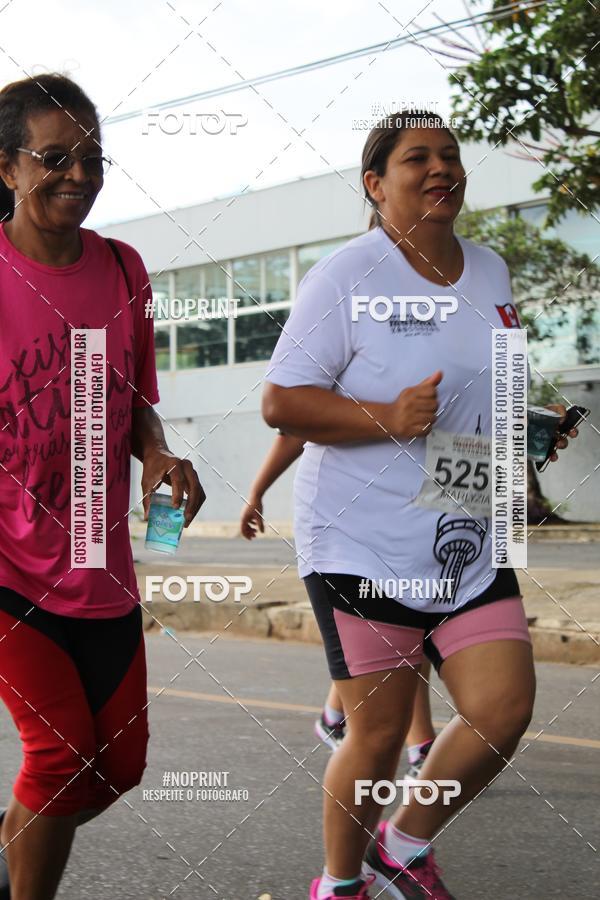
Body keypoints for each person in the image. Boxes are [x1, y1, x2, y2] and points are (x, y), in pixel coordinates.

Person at [262, 112, 578, 900]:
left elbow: (487, 386)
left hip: (461, 528)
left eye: (450, 156)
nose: (442, 169)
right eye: (417, 159)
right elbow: (281, 402)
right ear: (376, 184)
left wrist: (526, 433)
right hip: (361, 539)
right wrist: (384, 417)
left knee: (501, 709)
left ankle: (402, 846)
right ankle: (339, 885)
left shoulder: (492, 269)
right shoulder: (346, 276)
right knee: (373, 735)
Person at [0, 74, 205, 900]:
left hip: (101, 563)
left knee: (114, 768)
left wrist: (157, 456)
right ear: (7, 168)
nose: (78, 176)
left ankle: (12, 849)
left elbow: (135, 402)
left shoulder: (123, 270)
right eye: (55, 157)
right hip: (9, 570)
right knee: (58, 758)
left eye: (93, 159)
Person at [240, 433, 437, 764]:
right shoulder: (343, 385)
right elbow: (292, 424)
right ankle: (421, 748)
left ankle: (336, 716)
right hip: (351, 522)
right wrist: (256, 492)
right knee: (403, 626)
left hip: (419, 509)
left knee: (413, 624)